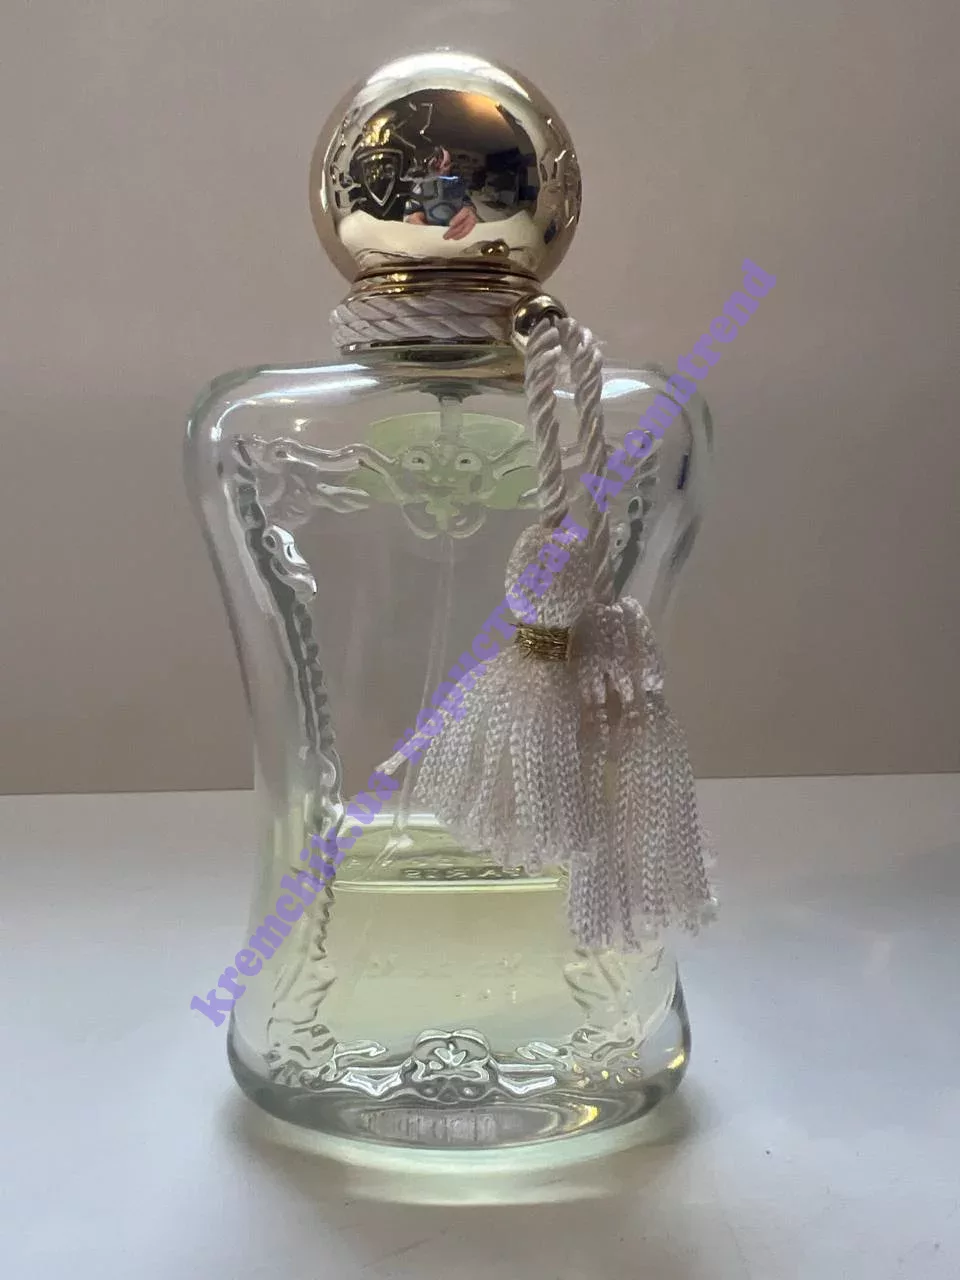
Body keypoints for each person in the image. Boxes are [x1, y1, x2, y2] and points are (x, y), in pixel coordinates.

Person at [403, 147, 479, 240]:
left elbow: (466, 199)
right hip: (423, 236)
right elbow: (408, 208)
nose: (441, 169)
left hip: (455, 234)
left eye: (446, 164)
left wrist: (470, 210)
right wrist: (411, 218)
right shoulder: (415, 182)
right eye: (436, 164)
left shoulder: (455, 182)